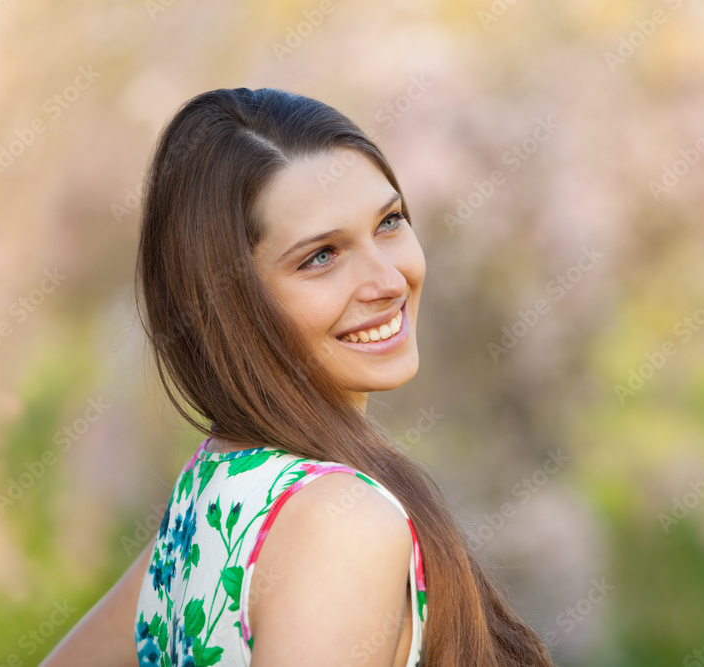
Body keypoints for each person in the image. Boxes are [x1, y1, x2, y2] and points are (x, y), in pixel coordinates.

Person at [42, 87, 556, 666]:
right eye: (321, 257)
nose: (387, 280)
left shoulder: (213, 494)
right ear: (231, 304)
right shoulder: (342, 528)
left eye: (389, 222)